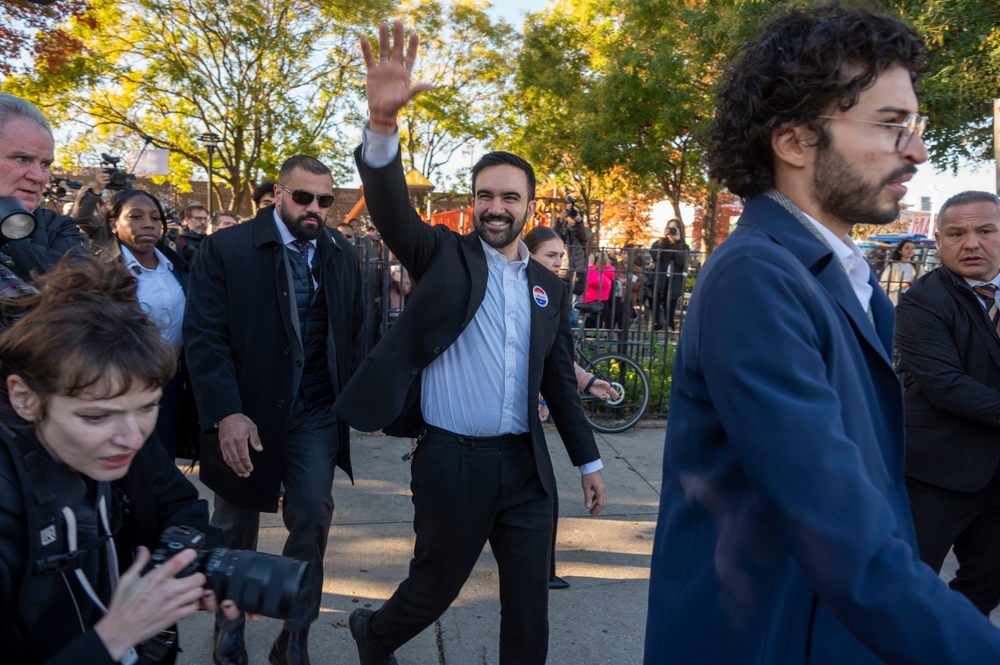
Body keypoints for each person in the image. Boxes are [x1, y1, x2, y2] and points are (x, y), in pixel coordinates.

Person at [644, 7, 1000, 664]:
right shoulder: (756, 276)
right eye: (893, 125)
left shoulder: (842, 277)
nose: (918, 150)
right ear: (796, 142)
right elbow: (841, 529)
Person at [337, 21, 606, 665]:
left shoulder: (549, 286)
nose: (495, 207)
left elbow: (557, 380)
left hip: (524, 468)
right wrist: (381, 124)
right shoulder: (442, 254)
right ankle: (374, 636)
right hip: (451, 463)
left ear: (528, 207)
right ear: (473, 202)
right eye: (485, 195)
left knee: (529, 608)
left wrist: (588, 462)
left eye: (509, 197)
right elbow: (390, 208)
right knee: (434, 589)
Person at [0, 254, 243, 665]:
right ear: (24, 398)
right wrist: (117, 634)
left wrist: (195, 567)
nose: (132, 438)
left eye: (148, 407)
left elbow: (178, 505)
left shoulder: (123, 433)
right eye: (95, 416)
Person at [184, 154, 362, 665]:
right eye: (303, 197)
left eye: (325, 200)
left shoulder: (340, 252)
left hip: (316, 413)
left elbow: (353, 334)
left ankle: (294, 638)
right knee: (236, 527)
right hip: (246, 412)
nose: (314, 208)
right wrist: (226, 414)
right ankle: (229, 631)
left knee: (312, 519)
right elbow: (204, 338)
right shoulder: (227, 247)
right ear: (279, 194)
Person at [895, 191, 1000, 615]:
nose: (970, 243)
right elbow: (947, 385)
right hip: (936, 474)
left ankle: (950, 648)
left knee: (987, 584)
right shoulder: (922, 300)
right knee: (906, 589)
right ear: (939, 241)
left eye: (985, 230)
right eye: (956, 233)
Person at [524, 225, 618, 590]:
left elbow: (557, 362)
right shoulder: (509, 290)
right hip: (489, 427)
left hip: (529, 424)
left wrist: (590, 382)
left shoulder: (556, 294)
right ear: (528, 254)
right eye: (551, 255)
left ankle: (542, 570)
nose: (559, 263)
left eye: (561, 256)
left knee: (544, 497)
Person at [97, 190, 193, 460]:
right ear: (113, 223)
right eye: (136, 217)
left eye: (155, 218)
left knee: (163, 466)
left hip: (169, 388)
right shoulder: (103, 271)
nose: (148, 224)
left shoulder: (177, 267)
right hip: (120, 390)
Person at [0, 93, 88, 280]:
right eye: (21, 159)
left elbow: (78, 284)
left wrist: (10, 238)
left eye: (45, 164)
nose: (39, 177)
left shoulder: (58, 228)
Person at [648, 219, 689, 331]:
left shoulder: (683, 246)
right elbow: (655, 255)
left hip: (673, 281)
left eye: (674, 229)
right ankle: (655, 326)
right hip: (659, 280)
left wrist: (677, 242)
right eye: (669, 228)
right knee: (655, 305)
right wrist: (663, 240)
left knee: (670, 307)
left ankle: (669, 329)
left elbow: (681, 261)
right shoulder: (659, 244)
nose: (671, 231)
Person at [879, 237, 922, 304]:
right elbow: (884, 283)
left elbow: (923, 283)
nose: (910, 250)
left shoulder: (918, 266)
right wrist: (900, 284)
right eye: (907, 248)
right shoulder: (892, 265)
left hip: (912, 298)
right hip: (895, 298)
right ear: (900, 250)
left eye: (913, 248)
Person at [580, 250, 615, 328]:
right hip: (592, 303)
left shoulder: (604, 273)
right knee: (589, 329)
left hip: (597, 304)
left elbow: (592, 281)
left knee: (590, 330)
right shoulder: (600, 272)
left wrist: (590, 266)